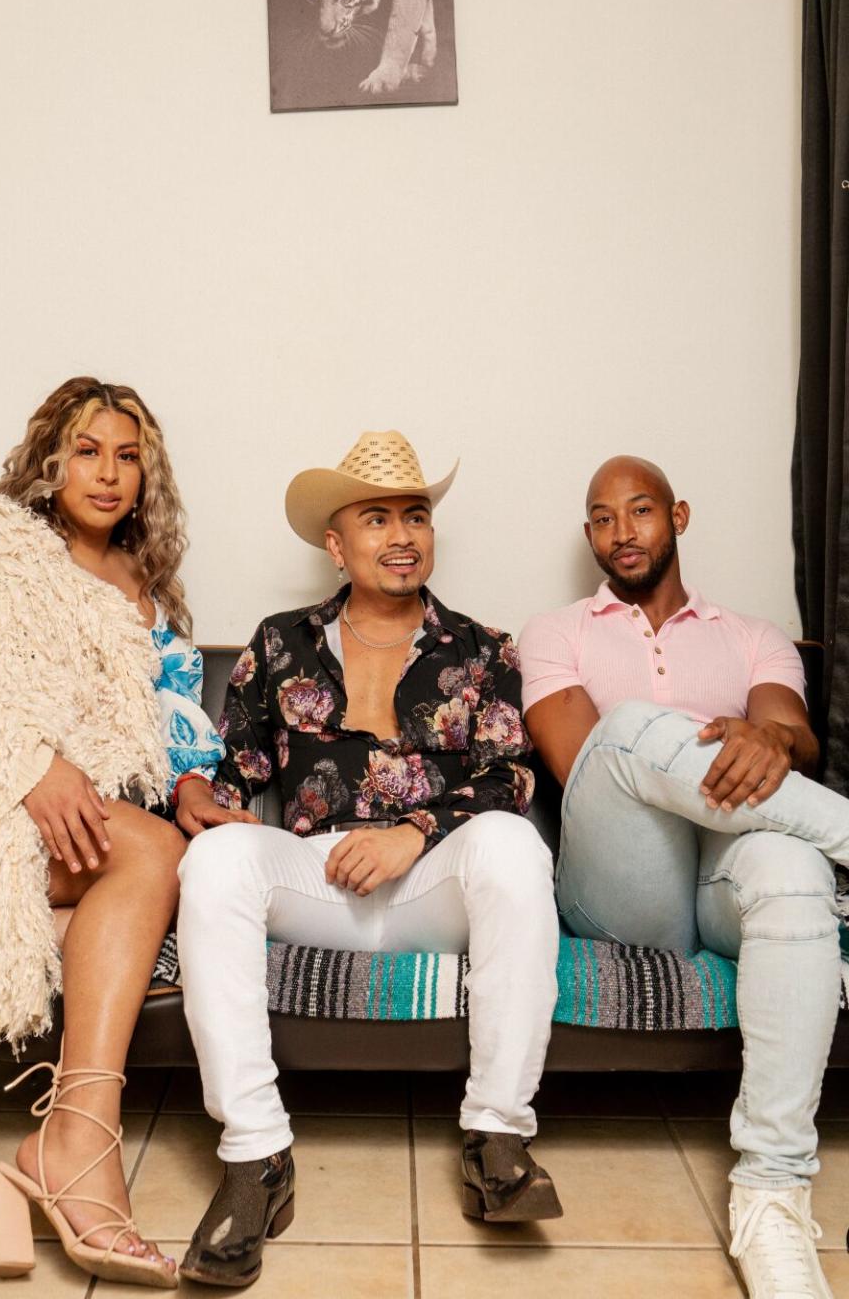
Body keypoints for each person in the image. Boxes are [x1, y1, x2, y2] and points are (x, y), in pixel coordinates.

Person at [173, 430, 562, 1288]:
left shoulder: (483, 649)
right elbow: (239, 771)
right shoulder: (279, 644)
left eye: (416, 516)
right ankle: (256, 1159)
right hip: (319, 878)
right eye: (377, 518)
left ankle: (498, 1138)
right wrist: (200, 794)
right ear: (335, 543)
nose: (401, 535)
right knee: (212, 865)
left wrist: (413, 833)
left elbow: (509, 778)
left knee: (512, 844)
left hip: (433, 881)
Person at [0, 376, 226, 1290]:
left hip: (97, 819)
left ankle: (50, 1151)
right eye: (88, 451)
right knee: (151, 853)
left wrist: (192, 780)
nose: (109, 475)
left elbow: (165, 714)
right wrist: (28, 764)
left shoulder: (147, 583)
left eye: (128, 457)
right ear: (49, 459)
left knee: (184, 860)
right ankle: (80, 1140)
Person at [519, 454, 846, 1299]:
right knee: (629, 729)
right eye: (601, 517)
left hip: (725, 880)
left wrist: (767, 739)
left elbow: (793, 739)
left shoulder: (754, 635)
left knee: (793, 866)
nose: (621, 532)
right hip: (620, 882)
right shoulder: (557, 634)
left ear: (680, 516)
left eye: (640, 511)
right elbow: (580, 761)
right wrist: (718, 744)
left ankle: (771, 1192)